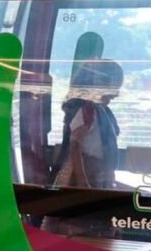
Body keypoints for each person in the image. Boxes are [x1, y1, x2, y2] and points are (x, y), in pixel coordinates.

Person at [50, 58, 124, 190]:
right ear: (98, 84)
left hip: (96, 174)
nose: (115, 95)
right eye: (113, 89)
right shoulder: (87, 111)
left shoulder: (100, 111)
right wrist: (83, 182)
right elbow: (75, 146)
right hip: (87, 176)